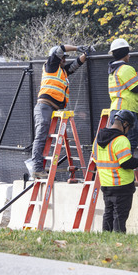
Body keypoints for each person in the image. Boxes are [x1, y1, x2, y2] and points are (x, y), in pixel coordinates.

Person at [25, 44, 91, 179]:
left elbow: (75, 65)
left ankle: (41, 166)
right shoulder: (51, 65)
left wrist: (85, 54)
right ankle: (37, 167)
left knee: (46, 137)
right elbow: (61, 48)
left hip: (52, 109)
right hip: (44, 107)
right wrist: (78, 48)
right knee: (41, 134)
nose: (64, 60)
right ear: (56, 57)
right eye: (63, 58)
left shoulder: (62, 71)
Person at [93, 110, 138, 233]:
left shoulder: (97, 140)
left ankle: (106, 238)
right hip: (122, 186)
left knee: (108, 214)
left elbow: (96, 159)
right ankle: (119, 241)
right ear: (125, 124)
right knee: (120, 217)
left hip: (106, 185)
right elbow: (126, 162)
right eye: (130, 127)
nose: (129, 131)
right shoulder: (121, 140)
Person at [107, 38, 138, 152]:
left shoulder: (114, 70)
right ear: (125, 53)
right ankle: (127, 164)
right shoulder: (126, 69)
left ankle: (119, 163)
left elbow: (134, 82)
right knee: (131, 141)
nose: (129, 55)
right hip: (126, 111)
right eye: (128, 53)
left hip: (116, 110)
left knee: (118, 141)